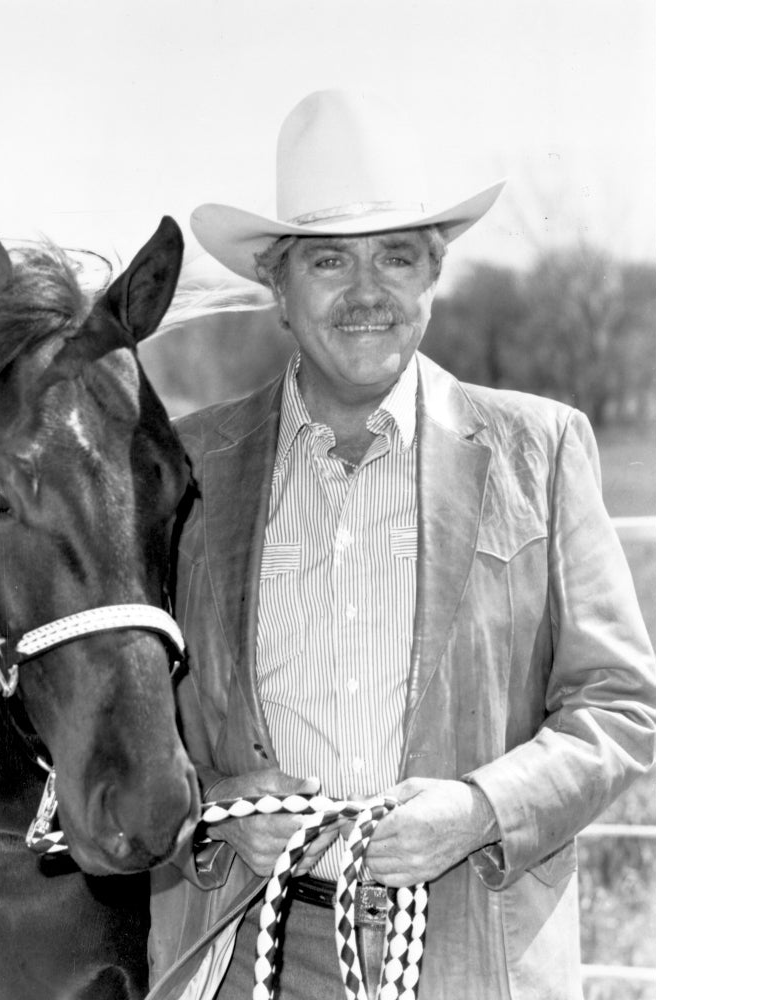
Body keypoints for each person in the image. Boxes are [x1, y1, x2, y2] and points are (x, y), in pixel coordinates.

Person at [146, 89, 655, 1000]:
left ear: (433, 275)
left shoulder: (539, 451)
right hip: (247, 953)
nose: (367, 291)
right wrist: (222, 806)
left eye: (396, 256)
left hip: (472, 952)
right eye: (330, 261)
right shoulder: (186, 469)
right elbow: (127, 716)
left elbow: (619, 706)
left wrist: (477, 811)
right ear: (278, 288)